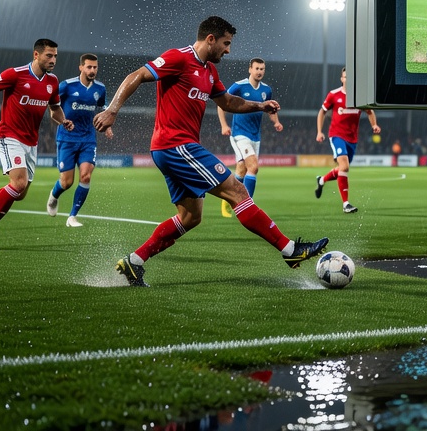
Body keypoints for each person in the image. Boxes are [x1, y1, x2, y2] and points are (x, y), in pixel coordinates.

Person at [93, 16, 326, 287]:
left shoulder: (209, 71)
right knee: (238, 192)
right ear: (211, 39)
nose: (228, 50)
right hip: (175, 145)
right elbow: (137, 75)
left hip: (173, 148)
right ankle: (289, 250)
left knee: (191, 217)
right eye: (226, 44)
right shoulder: (178, 58)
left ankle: (134, 262)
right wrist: (112, 110)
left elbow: (227, 101)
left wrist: (259, 107)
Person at [0, 39, 73, 250]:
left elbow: (54, 109)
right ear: (36, 55)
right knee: (19, 185)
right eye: (49, 56)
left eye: (55, 56)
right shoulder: (15, 74)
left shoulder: (52, 81)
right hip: (8, 136)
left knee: (20, 194)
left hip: (31, 142)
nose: (53, 60)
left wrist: (64, 120)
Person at [46, 53, 113, 227]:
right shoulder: (67, 86)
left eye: (95, 67)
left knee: (85, 175)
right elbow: (52, 106)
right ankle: (54, 196)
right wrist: (62, 121)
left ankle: (72, 216)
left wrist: (108, 124)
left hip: (88, 138)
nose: (92, 70)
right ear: (81, 67)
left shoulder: (100, 88)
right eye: (89, 67)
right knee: (66, 182)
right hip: (67, 138)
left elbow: (104, 107)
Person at [216, 57, 283, 217]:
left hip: (255, 136)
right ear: (250, 69)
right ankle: (247, 206)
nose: (259, 71)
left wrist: (276, 122)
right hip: (239, 134)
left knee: (241, 169)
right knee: (253, 167)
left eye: (262, 69)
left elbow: (270, 109)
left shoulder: (266, 90)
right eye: (257, 68)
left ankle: (228, 199)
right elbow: (222, 103)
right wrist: (224, 125)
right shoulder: (239, 86)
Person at [315, 67, 381, 213]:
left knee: (341, 169)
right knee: (344, 167)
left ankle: (321, 180)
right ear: (341, 78)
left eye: (350, 77)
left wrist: (374, 124)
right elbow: (322, 112)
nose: (347, 79)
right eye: (345, 77)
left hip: (352, 139)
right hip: (337, 135)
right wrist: (319, 132)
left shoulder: (359, 97)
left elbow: (370, 111)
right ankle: (346, 204)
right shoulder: (334, 95)